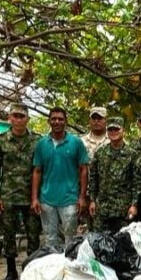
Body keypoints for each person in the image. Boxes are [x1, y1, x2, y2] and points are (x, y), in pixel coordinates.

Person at [0, 103, 42, 280]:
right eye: (15, 116)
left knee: (33, 235)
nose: (18, 120)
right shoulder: (0, 140)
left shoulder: (37, 140)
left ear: (27, 119)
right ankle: (11, 271)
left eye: (22, 116)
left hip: (31, 196)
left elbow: (42, 168)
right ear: (9, 118)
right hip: (8, 196)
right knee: (8, 235)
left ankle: (31, 271)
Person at [31, 107, 89, 251]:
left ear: (66, 122)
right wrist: (34, 198)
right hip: (47, 200)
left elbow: (83, 170)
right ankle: (54, 271)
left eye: (60, 119)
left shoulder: (76, 143)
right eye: (54, 119)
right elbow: (37, 171)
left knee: (71, 239)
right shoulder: (42, 144)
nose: (57, 122)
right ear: (49, 121)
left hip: (69, 199)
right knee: (50, 239)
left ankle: (68, 270)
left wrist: (82, 197)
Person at [88, 116, 141, 233]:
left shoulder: (132, 154)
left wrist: (134, 205)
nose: (113, 132)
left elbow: (137, 183)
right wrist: (92, 200)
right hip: (102, 208)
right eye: (110, 130)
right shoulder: (100, 153)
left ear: (123, 130)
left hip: (123, 209)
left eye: (116, 129)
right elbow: (93, 179)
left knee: (123, 243)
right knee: (98, 242)